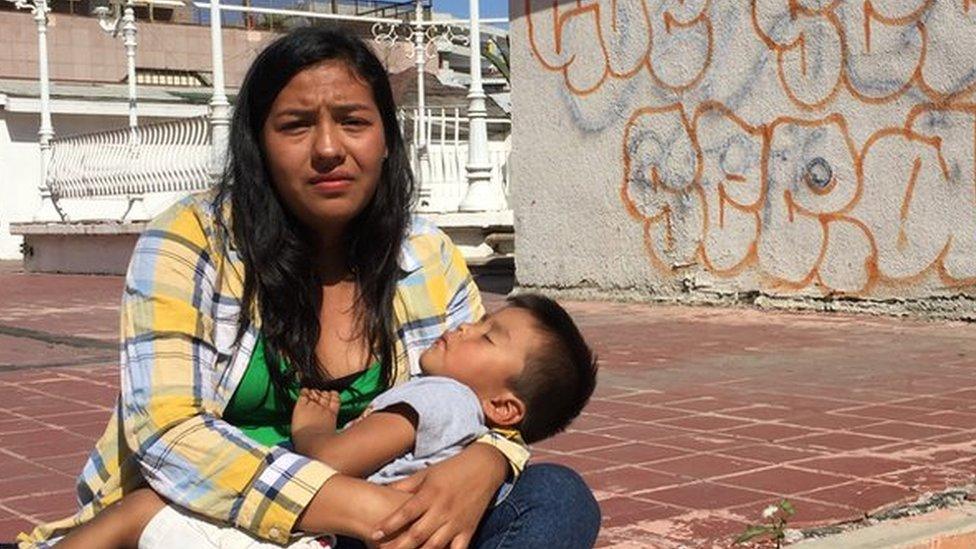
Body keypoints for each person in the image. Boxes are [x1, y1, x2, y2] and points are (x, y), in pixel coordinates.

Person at [17, 26, 600, 549]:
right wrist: (359, 507)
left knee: (558, 498)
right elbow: (170, 438)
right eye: (296, 125)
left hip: (386, 522)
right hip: (219, 519)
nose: (328, 149)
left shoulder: (425, 253)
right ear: (258, 145)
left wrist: (485, 465)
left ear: (386, 140)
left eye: (353, 121)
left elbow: (492, 403)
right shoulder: (192, 238)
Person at [52, 294, 599, 548]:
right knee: (563, 494)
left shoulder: (438, 396)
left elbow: (333, 461)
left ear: (505, 408)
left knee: (143, 508)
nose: (460, 328)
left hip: (355, 535)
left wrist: (312, 428)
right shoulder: (469, 417)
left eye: (485, 335)